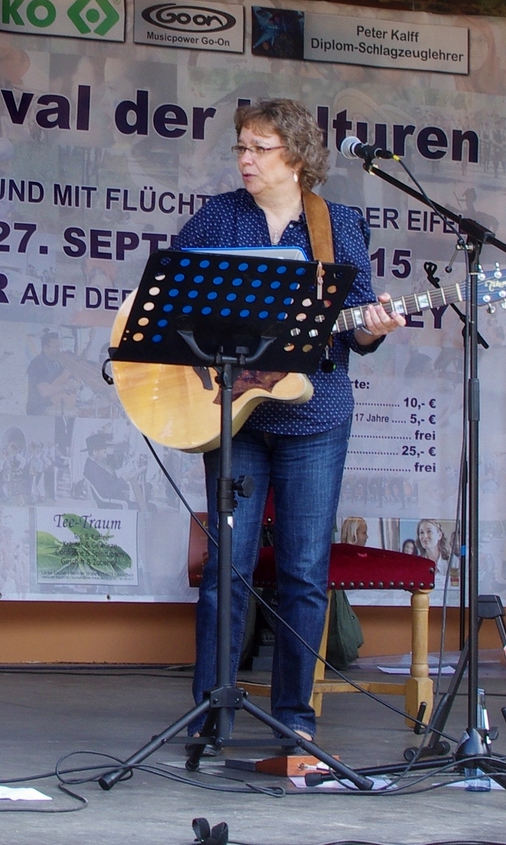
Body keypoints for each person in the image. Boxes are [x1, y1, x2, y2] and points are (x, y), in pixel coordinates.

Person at [173, 98, 404, 746]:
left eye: (259, 148)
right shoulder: (218, 218)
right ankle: (211, 716)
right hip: (236, 415)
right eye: (240, 147)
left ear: (297, 157)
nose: (244, 159)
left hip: (317, 415)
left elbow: (355, 332)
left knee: (305, 572)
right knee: (229, 570)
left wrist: (375, 329)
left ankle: (295, 720)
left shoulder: (339, 225)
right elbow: (171, 308)